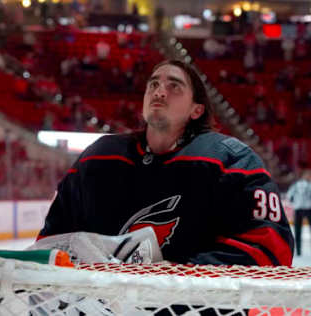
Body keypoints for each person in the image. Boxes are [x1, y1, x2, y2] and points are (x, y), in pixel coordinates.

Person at [33, 60, 294, 266]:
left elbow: (270, 247)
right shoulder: (98, 156)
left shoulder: (230, 160)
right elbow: (51, 242)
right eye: (153, 84)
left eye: (174, 86)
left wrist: (177, 276)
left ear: (197, 110)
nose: (159, 91)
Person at [286, 170, 311, 256]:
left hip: (299, 209)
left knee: (297, 230)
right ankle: (298, 251)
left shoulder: (295, 186)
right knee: (297, 230)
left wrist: (294, 203)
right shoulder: (308, 185)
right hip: (307, 208)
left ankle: (298, 251)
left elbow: (289, 196)